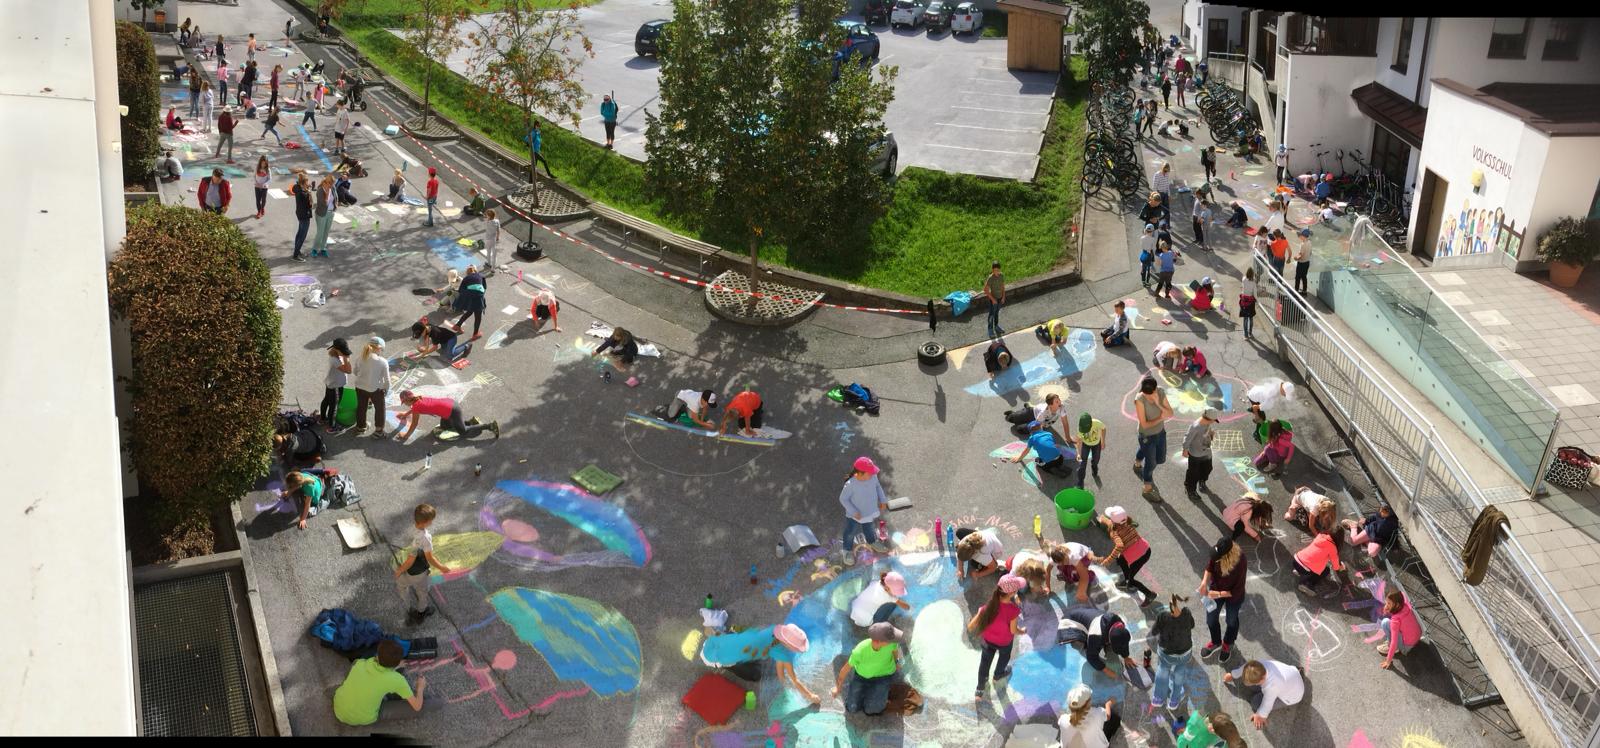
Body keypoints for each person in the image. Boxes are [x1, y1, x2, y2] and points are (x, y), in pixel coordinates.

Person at [700, 624, 820, 704]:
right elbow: (794, 680)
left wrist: (782, 678)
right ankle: (726, 666)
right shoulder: (780, 652)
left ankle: (718, 634)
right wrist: (811, 696)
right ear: (789, 645)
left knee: (749, 647)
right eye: (797, 648)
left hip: (717, 642)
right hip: (713, 658)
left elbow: (780, 667)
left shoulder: (774, 629)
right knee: (755, 675)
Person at [332, 639, 427, 726]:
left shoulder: (361, 663)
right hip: (362, 718)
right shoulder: (397, 680)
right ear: (396, 662)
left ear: (377, 655)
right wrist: (420, 688)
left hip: (338, 707)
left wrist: (395, 665)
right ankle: (438, 703)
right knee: (415, 707)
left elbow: (381, 669)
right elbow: (417, 706)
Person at [394, 503, 454, 620]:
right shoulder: (425, 538)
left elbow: (410, 555)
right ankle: (422, 611)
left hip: (404, 564)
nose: (431, 523)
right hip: (418, 571)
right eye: (431, 521)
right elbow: (429, 558)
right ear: (425, 522)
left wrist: (399, 570)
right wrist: (442, 568)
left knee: (401, 584)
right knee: (422, 591)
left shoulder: (412, 527)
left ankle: (406, 605)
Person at [968, 575, 1024, 701]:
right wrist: (1022, 631)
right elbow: (1013, 630)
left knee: (984, 664)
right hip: (1004, 642)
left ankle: (980, 689)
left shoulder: (987, 607)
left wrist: (979, 612)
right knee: (1004, 658)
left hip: (988, 641)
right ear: (1012, 592)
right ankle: (998, 675)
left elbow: (971, 627)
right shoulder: (1013, 610)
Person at [832, 623, 904, 716]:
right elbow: (845, 670)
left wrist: (896, 662)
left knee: (872, 710)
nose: (894, 640)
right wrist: (838, 688)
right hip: (862, 676)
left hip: (884, 675)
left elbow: (895, 651)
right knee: (852, 708)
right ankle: (875, 693)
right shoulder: (860, 650)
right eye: (890, 639)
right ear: (878, 641)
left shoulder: (892, 643)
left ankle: (877, 694)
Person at [1198, 537, 1248, 664]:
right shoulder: (1218, 552)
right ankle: (1216, 642)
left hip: (1233, 596)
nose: (1215, 558)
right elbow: (1209, 568)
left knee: (1231, 620)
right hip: (1216, 590)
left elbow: (1236, 590)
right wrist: (1204, 583)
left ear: (1227, 557)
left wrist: (1218, 594)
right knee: (1211, 620)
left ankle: (1228, 643)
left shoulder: (1240, 562)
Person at [1096, 506, 1155, 606]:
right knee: (1121, 559)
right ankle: (1126, 577)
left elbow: (1119, 546)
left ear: (1114, 521)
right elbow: (1111, 522)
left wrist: (1108, 560)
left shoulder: (1115, 532)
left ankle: (1149, 594)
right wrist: (1103, 519)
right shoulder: (1128, 521)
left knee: (1131, 581)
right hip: (1145, 549)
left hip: (1139, 557)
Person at [1224, 658, 1305, 730]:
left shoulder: (1272, 686)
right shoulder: (1257, 665)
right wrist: (1233, 675)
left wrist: (1260, 715)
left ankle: (1299, 674)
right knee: (1249, 685)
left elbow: (1267, 704)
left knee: (1256, 703)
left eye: (1255, 683)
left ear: (1262, 679)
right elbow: (1246, 667)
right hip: (1291, 675)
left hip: (1292, 695)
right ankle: (1298, 672)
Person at [1060, 604, 1137, 678]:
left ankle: (1103, 644)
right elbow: (1091, 657)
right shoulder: (1096, 635)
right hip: (1069, 623)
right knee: (1080, 645)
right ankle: (1084, 646)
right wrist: (1106, 670)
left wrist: (1126, 657)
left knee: (1109, 644)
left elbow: (1123, 642)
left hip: (1089, 618)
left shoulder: (1119, 624)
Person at [839, 456, 891, 562]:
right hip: (854, 515)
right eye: (869, 472)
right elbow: (843, 499)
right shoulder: (850, 484)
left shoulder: (873, 477)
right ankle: (847, 550)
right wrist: (853, 511)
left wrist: (883, 500)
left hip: (869, 511)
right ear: (860, 473)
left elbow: (878, 487)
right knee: (850, 532)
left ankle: (872, 541)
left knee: (869, 528)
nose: (872, 474)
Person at [395, 390, 499, 442]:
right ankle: (471, 422)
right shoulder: (417, 398)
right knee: (445, 427)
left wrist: (406, 435)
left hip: (452, 411)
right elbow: (414, 409)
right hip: (449, 406)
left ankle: (489, 426)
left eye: (404, 402)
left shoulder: (416, 406)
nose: (404, 404)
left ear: (408, 400)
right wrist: (405, 414)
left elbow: (414, 423)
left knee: (463, 431)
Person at [1151, 593, 1196, 712]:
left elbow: (1154, 631)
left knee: (1163, 669)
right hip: (1185, 652)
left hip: (1167, 653)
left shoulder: (1163, 616)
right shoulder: (1186, 613)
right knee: (1179, 672)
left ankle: (1158, 698)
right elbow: (1192, 625)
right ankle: (1174, 700)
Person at [1133, 376, 1173, 496]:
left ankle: (1137, 461)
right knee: (1151, 463)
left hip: (1160, 432)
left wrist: (1158, 403)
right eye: (1146, 394)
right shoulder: (1139, 399)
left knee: (1160, 458)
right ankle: (1147, 488)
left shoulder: (1160, 392)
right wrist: (1161, 416)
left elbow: (1170, 413)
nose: (1148, 396)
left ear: (1155, 389)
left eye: (1150, 394)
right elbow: (1145, 425)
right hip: (1146, 436)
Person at [1058, 684, 1121, 748]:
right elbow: (1108, 716)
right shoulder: (1097, 713)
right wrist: (1108, 704)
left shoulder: (1063, 719)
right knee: (1114, 719)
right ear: (1088, 703)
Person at [351, 337, 390, 438]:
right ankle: (379, 431)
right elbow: (387, 381)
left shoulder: (360, 357)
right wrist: (386, 390)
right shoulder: (382, 361)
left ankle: (361, 427)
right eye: (381, 350)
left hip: (360, 387)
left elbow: (355, 372)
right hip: (375, 389)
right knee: (380, 409)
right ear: (379, 348)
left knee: (361, 407)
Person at [1376, 589, 1421, 669]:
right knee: (1396, 626)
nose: (1386, 605)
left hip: (1406, 647)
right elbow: (1402, 593)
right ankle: (1400, 644)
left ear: (1397, 605)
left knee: (1385, 622)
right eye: (1386, 602)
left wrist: (1388, 661)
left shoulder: (1395, 620)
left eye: (1389, 603)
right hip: (1417, 637)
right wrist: (1389, 607)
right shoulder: (1406, 605)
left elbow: (1394, 641)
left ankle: (1396, 648)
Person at [1293, 531, 1342, 595]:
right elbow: (1336, 567)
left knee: (1313, 565)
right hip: (1305, 567)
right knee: (1325, 571)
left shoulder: (1320, 536)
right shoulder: (1333, 548)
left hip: (1296, 560)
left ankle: (1299, 572)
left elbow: (1318, 552)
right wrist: (1341, 567)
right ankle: (1306, 584)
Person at [319, 338, 353, 431]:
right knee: (334, 406)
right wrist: (347, 360)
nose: (345, 354)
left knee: (326, 400)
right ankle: (332, 426)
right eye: (343, 352)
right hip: (336, 387)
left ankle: (322, 419)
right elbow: (349, 370)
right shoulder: (334, 360)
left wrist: (343, 357)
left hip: (331, 383)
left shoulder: (336, 356)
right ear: (337, 350)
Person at [1182, 409, 1217, 496]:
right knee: (1193, 473)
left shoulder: (1207, 423)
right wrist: (1185, 450)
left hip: (1206, 452)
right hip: (1196, 454)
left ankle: (1202, 480)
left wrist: (1211, 433)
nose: (1213, 422)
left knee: (1208, 468)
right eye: (1213, 420)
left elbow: (1208, 430)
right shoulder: (1195, 427)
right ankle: (1190, 489)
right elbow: (1187, 438)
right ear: (1209, 419)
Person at [450, 265, 488, 339]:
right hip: (478, 297)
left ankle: (457, 326)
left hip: (469, 297)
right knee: (478, 316)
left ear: (468, 272)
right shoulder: (480, 275)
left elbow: (461, 290)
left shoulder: (466, 278)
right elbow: (484, 287)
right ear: (476, 270)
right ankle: (475, 334)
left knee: (470, 311)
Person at [1176, 711, 1243, 748]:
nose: (1213, 732)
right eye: (1217, 734)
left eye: (1217, 733)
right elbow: (1181, 742)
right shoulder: (1195, 723)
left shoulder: (1218, 733)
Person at [1073, 412, 1106, 488]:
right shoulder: (1080, 428)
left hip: (1096, 444)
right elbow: (1079, 441)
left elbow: (1104, 428)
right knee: (1082, 464)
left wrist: (1103, 441)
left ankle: (1094, 467)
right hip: (1085, 445)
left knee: (1096, 459)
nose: (1085, 431)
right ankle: (1080, 481)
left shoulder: (1097, 423)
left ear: (1091, 423)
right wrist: (1078, 453)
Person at [311, 174, 335, 257]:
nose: (332, 186)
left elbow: (336, 196)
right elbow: (323, 204)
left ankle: (323, 248)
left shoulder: (333, 188)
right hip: (321, 214)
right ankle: (315, 249)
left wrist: (336, 205)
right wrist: (327, 193)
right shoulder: (320, 191)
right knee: (320, 233)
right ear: (326, 182)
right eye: (330, 184)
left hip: (331, 213)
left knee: (326, 232)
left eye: (332, 184)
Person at [290, 172, 313, 261]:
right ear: (304, 182)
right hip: (305, 215)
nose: (308, 183)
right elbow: (310, 204)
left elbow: (295, 186)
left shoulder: (297, 188)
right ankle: (295, 255)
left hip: (299, 214)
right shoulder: (305, 194)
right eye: (307, 182)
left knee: (299, 233)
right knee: (302, 236)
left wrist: (305, 188)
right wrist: (309, 193)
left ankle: (297, 250)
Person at [982, 261, 1005, 338]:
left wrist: (1003, 296)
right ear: (992, 270)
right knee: (991, 315)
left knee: (996, 313)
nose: (996, 272)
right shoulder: (991, 278)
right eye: (995, 270)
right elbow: (985, 290)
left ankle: (996, 326)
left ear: (1000, 270)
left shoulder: (1001, 276)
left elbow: (1002, 287)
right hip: (993, 300)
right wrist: (993, 299)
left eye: (998, 270)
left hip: (999, 298)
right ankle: (990, 329)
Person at [1239, 268, 1258, 339]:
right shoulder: (1253, 282)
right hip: (1251, 302)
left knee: (1245, 318)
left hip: (1244, 301)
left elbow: (1243, 278)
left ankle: (1245, 335)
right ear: (1253, 274)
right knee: (1251, 318)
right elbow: (1255, 293)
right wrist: (1257, 300)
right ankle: (1250, 333)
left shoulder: (1244, 279)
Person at [1293, 228, 1312, 295]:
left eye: (1300, 235)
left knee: (1297, 277)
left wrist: (1295, 258)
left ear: (1303, 236)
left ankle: (1296, 291)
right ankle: (1304, 291)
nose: (1299, 236)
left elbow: (1300, 255)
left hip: (1301, 263)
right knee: (1304, 277)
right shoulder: (1309, 242)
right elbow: (1310, 253)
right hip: (1307, 262)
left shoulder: (1303, 244)